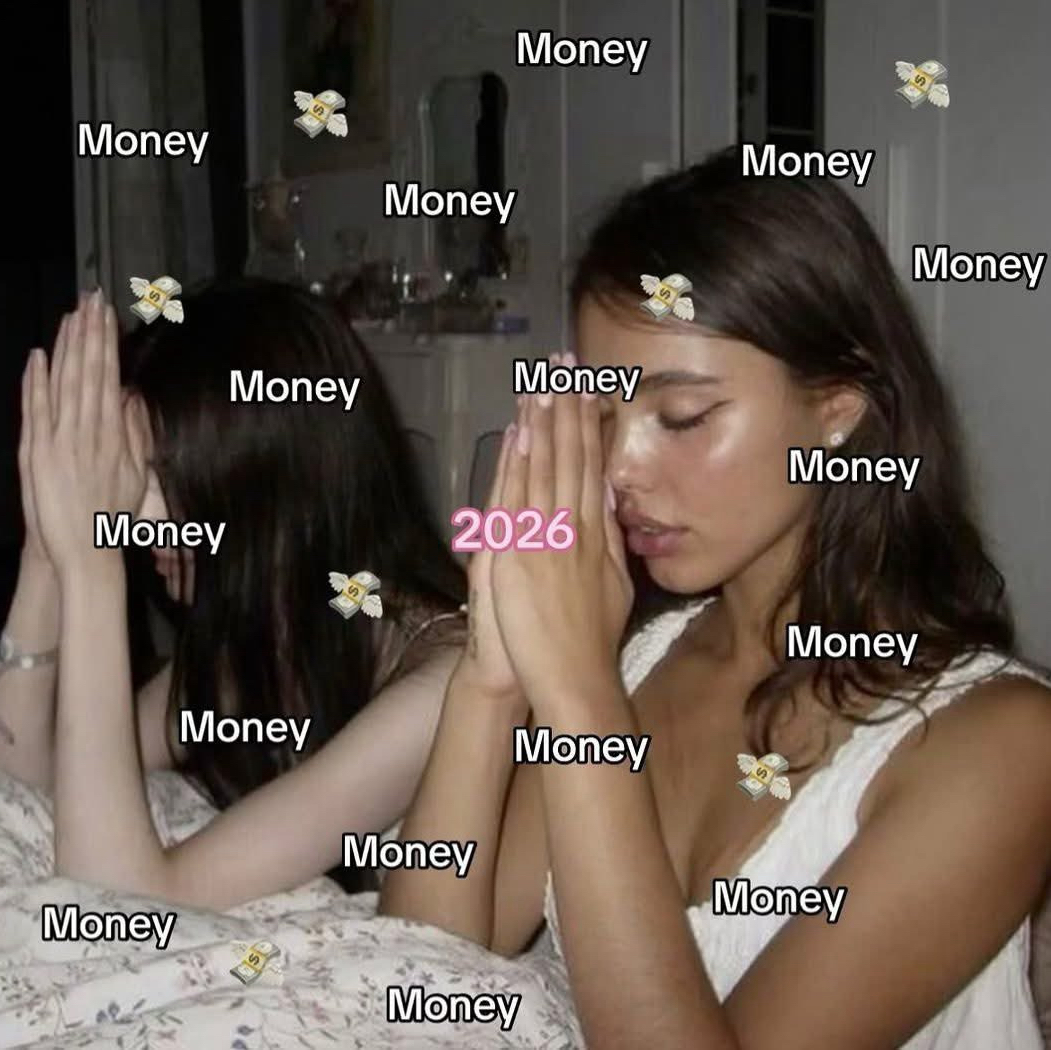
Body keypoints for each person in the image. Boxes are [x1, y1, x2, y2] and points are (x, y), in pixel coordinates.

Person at [380, 150, 1051, 1049]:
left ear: (837, 408)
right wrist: (491, 678)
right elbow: (422, 976)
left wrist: (579, 701)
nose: (619, 470)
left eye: (683, 417)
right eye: (604, 416)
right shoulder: (642, 661)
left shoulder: (1000, 742)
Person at [2, 279, 465, 907]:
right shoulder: (259, 632)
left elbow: (121, 902)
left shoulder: (439, 685)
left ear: (268, 485)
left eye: (156, 475)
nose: (133, 515)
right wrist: (44, 552)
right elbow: (31, 791)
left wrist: (91, 567)